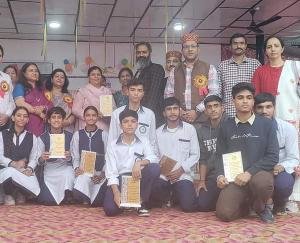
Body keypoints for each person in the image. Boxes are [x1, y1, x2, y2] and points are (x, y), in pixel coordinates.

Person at [215, 82, 279, 223]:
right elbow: (219, 155)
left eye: (249, 97)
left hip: (259, 174)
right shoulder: (226, 126)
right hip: (236, 178)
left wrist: (249, 173)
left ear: (253, 101)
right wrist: (220, 176)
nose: (245, 101)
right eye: (240, 97)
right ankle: (247, 204)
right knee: (224, 214)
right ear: (233, 101)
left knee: (263, 183)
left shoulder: (266, 124)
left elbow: (273, 156)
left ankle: (261, 206)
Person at [104, 109, 160, 217]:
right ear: (120, 125)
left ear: (137, 124)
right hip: (121, 179)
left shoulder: (144, 141)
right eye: (125, 122)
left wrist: (139, 163)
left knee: (154, 168)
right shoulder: (113, 145)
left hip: (138, 177)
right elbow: (111, 172)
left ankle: (141, 202)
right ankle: (128, 202)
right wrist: (116, 193)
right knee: (110, 210)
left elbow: (153, 158)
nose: (130, 124)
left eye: (133, 121)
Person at [150, 97, 200, 212]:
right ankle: (170, 195)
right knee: (151, 197)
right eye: (169, 109)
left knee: (189, 207)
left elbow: (195, 155)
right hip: (163, 175)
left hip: (183, 175)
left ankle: (175, 196)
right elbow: (155, 155)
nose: (172, 112)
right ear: (164, 113)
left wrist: (181, 170)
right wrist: (162, 170)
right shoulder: (157, 133)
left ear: (180, 111)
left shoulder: (190, 129)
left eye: (175, 108)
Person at [254, 92, 299, 213]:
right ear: (254, 109)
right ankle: (260, 202)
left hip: (280, 169)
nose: (264, 111)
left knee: (283, 184)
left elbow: (294, 157)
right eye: (260, 107)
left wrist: (282, 166)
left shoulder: (288, 129)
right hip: (258, 170)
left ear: (274, 108)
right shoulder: (249, 129)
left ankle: (280, 202)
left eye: (268, 107)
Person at [164, 32, 219, 125]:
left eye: (193, 46)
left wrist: (197, 111)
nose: (190, 49)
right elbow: (168, 95)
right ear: (182, 50)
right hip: (180, 120)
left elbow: (214, 93)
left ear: (198, 49)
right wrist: (179, 110)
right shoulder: (175, 71)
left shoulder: (209, 68)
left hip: (204, 121)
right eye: (186, 47)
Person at [252, 36, 300, 136]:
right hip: (268, 120)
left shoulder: (295, 67)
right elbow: (256, 97)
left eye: (276, 46)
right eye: (269, 47)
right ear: (265, 51)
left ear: (282, 49)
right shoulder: (260, 72)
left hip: (294, 118)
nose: (273, 49)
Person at [0, 107, 40, 205]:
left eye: (25, 116)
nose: (22, 118)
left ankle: (19, 192)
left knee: (35, 186)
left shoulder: (32, 137)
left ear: (27, 120)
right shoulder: (2, 134)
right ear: (13, 118)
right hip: (6, 169)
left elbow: (34, 158)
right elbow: (0, 155)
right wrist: (13, 163)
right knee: (10, 172)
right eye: (19, 115)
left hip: (23, 170)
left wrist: (30, 169)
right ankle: (8, 194)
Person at [108, 78, 157, 154]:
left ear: (143, 93)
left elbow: (152, 141)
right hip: (122, 158)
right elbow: (112, 139)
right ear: (127, 92)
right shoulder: (117, 113)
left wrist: (152, 161)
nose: (136, 93)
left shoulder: (150, 114)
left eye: (139, 90)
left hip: (142, 159)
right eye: (132, 90)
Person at [37, 107, 74, 205]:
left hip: (65, 167)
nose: (56, 120)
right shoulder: (41, 138)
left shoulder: (71, 136)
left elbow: (76, 157)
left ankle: (67, 193)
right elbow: (38, 160)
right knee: (47, 201)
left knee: (69, 172)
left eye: (59, 117)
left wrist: (69, 157)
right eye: (53, 117)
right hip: (49, 170)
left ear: (63, 120)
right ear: (49, 120)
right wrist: (42, 158)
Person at [71, 106, 107, 206]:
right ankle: (85, 197)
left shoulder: (104, 134)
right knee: (81, 180)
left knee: (98, 197)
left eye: (93, 115)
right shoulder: (77, 135)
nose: (91, 118)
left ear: (97, 117)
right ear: (84, 117)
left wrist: (102, 174)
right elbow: (75, 156)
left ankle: (90, 198)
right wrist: (77, 168)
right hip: (84, 172)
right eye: (88, 115)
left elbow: (108, 157)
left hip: (100, 173)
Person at [195, 95, 226, 211]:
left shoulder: (231, 124)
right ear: (206, 111)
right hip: (213, 174)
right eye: (209, 107)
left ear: (222, 108)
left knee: (226, 206)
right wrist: (202, 181)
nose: (213, 109)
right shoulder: (201, 130)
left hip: (229, 172)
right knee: (203, 204)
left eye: (216, 106)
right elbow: (202, 158)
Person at [218, 33, 260, 117]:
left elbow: (258, 91)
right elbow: (218, 91)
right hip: (228, 114)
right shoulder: (222, 66)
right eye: (235, 43)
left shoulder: (255, 64)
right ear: (230, 46)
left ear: (245, 46)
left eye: (241, 43)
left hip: (250, 114)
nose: (238, 46)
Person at [13, 63, 53, 136]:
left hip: (43, 123)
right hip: (26, 122)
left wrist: (43, 107)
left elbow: (50, 104)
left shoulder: (43, 88)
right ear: (24, 74)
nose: (34, 73)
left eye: (36, 71)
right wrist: (38, 112)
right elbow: (20, 103)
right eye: (31, 71)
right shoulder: (20, 87)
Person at [133, 41, 165, 126]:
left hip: (152, 116)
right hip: (139, 115)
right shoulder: (138, 72)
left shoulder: (156, 69)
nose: (141, 55)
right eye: (138, 52)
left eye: (144, 52)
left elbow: (153, 95)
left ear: (149, 53)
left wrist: (145, 116)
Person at [72, 66, 112, 131]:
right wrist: (90, 116)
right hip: (86, 125)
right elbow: (75, 109)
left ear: (101, 77)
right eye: (93, 75)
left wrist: (105, 114)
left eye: (98, 75)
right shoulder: (83, 91)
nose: (96, 76)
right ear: (89, 77)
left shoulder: (106, 91)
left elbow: (110, 110)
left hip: (103, 125)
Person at [0, 44, 15, 131]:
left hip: (4, 122)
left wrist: (7, 115)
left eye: (0, 55)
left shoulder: (6, 77)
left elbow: (11, 101)